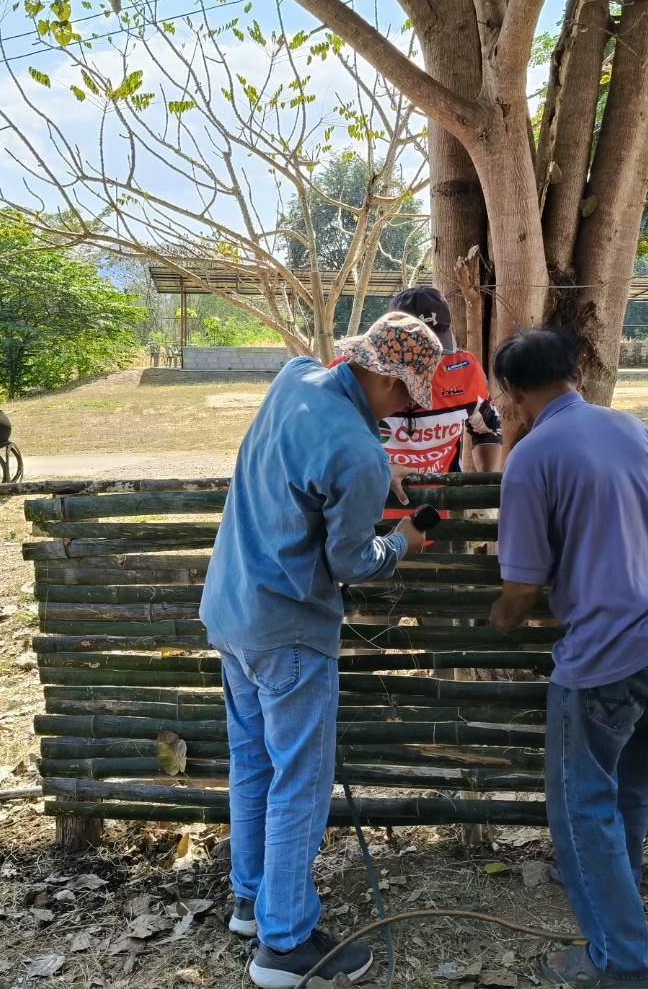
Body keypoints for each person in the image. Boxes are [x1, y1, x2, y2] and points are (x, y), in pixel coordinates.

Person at [200, 311, 442, 989]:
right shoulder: (357, 452)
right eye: (405, 397)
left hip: (230, 610)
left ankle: (252, 900)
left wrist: (375, 464)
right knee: (300, 783)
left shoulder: (293, 379)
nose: (402, 412)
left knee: (253, 762)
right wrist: (401, 544)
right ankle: (285, 944)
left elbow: (315, 456)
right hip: (290, 633)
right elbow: (351, 561)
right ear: (392, 379)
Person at [487, 329, 648, 989]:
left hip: (609, 656)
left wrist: (496, 628)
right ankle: (620, 908)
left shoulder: (529, 459)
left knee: (580, 807)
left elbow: (522, 585)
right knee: (632, 780)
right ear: (574, 376)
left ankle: (621, 965)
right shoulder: (631, 429)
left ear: (514, 396)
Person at [366, 286, 504, 479]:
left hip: (442, 501)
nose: (426, 359)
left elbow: (487, 425)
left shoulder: (465, 369)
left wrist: (486, 482)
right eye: (415, 348)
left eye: (434, 349)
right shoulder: (359, 373)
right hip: (374, 499)